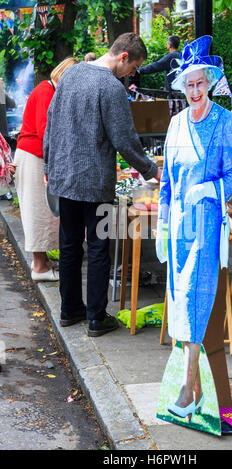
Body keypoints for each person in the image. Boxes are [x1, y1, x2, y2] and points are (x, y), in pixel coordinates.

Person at [43, 32, 162, 337]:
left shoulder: (71, 74)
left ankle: (69, 310)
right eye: (133, 68)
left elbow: (51, 120)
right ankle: (97, 318)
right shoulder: (111, 87)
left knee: (69, 246)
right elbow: (124, 139)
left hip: (65, 178)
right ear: (123, 57)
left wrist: (48, 163)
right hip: (95, 182)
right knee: (98, 248)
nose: (132, 74)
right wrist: (151, 170)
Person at [156, 36, 232, 421]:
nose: (193, 91)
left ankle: (188, 391)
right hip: (179, 230)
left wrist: (211, 188)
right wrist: (162, 221)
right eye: (188, 84)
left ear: (210, 82)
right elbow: (168, 183)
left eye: (199, 83)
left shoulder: (222, 121)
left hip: (206, 226)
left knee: (193, 301)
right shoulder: (174, 125)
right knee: (180, 305)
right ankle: (198, 390)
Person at [14, 57, 79, 282]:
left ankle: (40, 262)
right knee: (39, 213)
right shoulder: (46, 92)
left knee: (41, 211)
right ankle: (39, 268)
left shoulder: (46, 89)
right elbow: (46, 132)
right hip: (33, 156)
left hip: (33, 155)